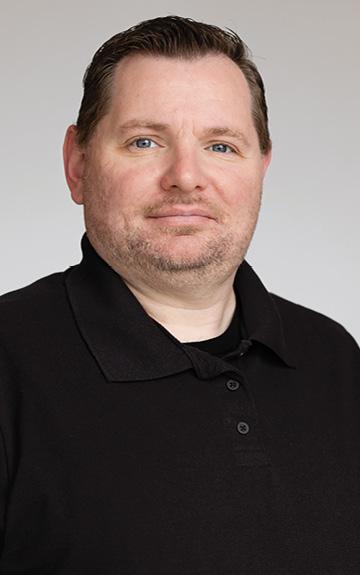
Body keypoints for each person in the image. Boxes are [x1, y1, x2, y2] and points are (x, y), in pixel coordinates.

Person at [0, 15, 358, 574]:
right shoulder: (9, 361)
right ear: (77, 164)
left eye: (221, 145)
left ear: (262, 167)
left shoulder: (334, 358)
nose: (186, 177)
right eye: (145, 141)